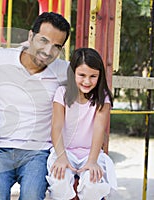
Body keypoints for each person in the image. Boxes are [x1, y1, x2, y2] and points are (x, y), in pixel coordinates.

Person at [0, 12, 71, 199]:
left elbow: (92, 89)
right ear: (30, 36)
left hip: (38, 151)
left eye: (56, 46)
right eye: (43, 40)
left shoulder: (63, 71)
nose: (47, 51)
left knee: (32, 195)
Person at [46, 48, 117, 200]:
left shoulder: (102, 97)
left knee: (93, 186)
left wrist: (92, 161)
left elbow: (99, 129)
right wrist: (61, 156)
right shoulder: (62, 93)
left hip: (90, 153)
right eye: (82, 75)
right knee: (59, 184)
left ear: (100, 76)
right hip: (64, 150)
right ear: (73, 74)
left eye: (93, 76)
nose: (87, 81)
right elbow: (56, 127)